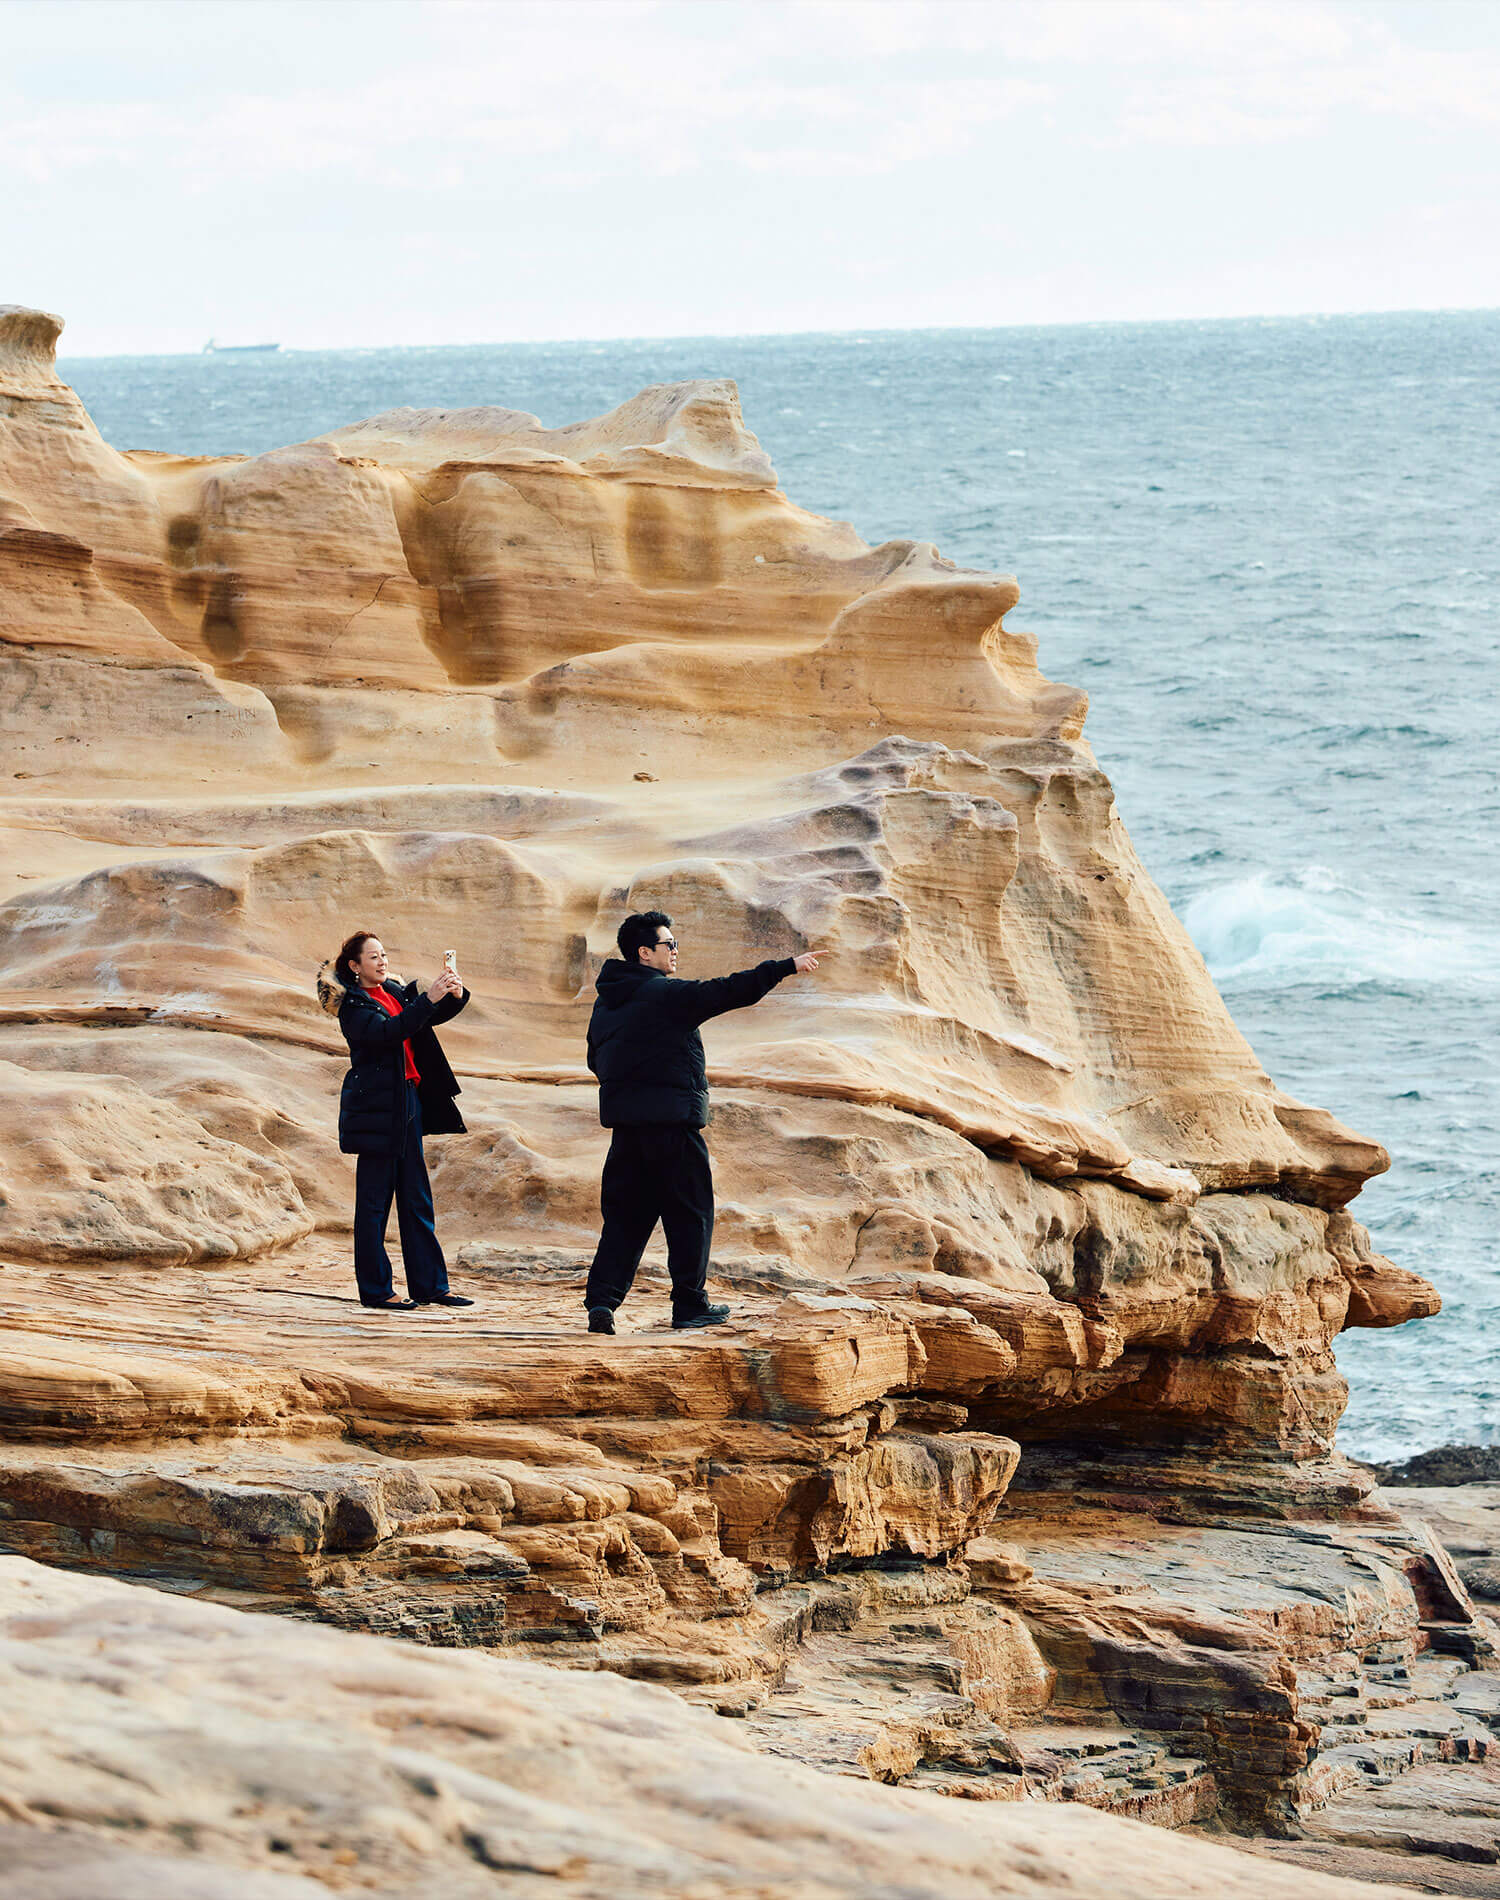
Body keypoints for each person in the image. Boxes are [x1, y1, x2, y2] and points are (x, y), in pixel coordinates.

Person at [583, 911, 821, 1334]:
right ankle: (690, 1306)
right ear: (645, 952)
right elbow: (726, 991)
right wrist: (785, 966)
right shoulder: (663, 994)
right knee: (690, 1215)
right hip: (672, 1127)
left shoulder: (606, 1004)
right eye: (669, 944)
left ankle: (601, 1304)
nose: (675, 951)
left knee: (625, 1218)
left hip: (627, 1131)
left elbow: (594, 1059)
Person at [316, 931, 474, 1311]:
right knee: (373, 1204)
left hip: (407, 1101)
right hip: (377, 1110)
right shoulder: (354, 1006)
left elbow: (426, 1017)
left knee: (416, 1197)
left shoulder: (394, 993)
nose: (382, 962)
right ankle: (376, 1291)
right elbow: (391, 1032)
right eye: (373, 958)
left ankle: (432, 1287)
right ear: (354, 967)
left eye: (384, 954)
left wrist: (453, 994)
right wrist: (428, 999)